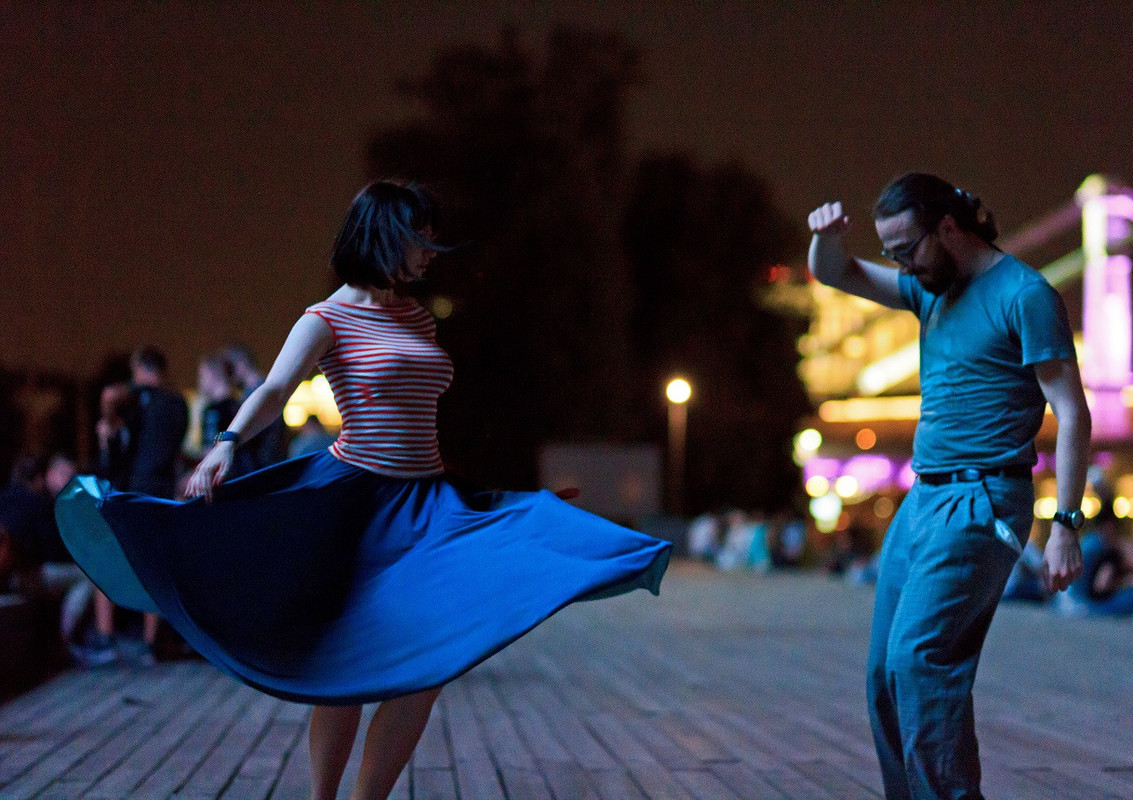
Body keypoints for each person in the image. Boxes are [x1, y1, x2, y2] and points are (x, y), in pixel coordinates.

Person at [55, 180, 671, 800]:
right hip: (353, 509)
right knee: (344, 666)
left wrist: (496, 505)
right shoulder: (325, 317)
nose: (430, 250)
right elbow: (274, 389)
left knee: (427, 667)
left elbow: (416, 425)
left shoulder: (416, 316)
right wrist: (226, 442)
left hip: (427, 504)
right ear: (384, 237)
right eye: (419, 238)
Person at [807, 173, 1090, 800]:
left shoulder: (1025, 295)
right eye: (891, 253)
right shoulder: (929, 290)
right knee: (884, 673)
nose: (901, 265)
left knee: (920, 663)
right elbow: (837, 274)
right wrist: (825, 240)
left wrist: (1065, 526)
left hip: (983, 501)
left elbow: (1071, 412)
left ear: (950, 228)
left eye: (908, 248)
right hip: (923, 500)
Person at [79, 346, 188, 667]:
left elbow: (110, 395)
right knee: (153, 566)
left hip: (127, 492)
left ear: (138, 367)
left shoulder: (131, 399)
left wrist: (107, 421)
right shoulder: (177, 403)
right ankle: (150, 644)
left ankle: (105, 637)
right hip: (161, 491)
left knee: (106, 558)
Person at [224, 342, 289, 471]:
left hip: (265, 467)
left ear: (240, 364)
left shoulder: (256, 392)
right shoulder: (259, 388)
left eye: (230, 369)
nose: (228, 375)